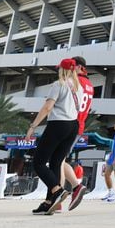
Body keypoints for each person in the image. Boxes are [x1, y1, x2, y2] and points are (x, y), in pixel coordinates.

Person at [25, 58, 82, 215]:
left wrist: (33, 126)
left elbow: (47, 107)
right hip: (73, 126)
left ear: (62, 70)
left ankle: (57, 190)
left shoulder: (59, 84)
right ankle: (50, 202)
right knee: (56, 163)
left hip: (58, 124)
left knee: (38, 162)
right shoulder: (78, 87)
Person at [60, 55, 94, 211]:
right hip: (79, 126)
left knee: (57, 161)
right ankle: (72, 188)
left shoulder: (76, 81)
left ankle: (60, 194)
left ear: (78, 66)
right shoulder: (89, 85)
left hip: (68, 123)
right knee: (59, 159)